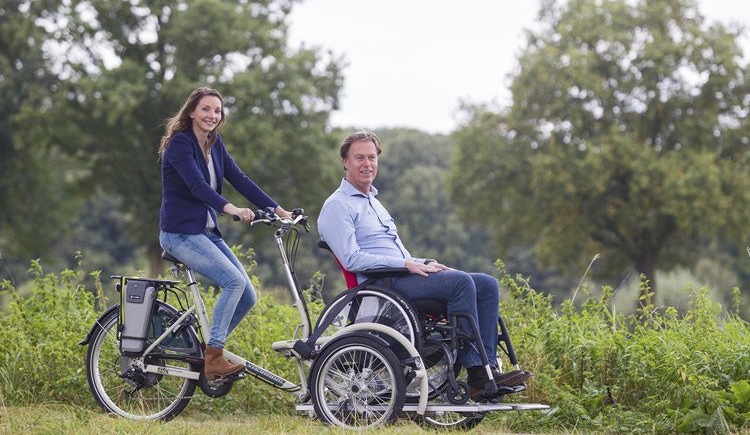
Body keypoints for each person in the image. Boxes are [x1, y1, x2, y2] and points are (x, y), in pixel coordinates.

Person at [317, 130, 531, 401]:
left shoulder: (375, 203)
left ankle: (488, 368)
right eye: (359, 157)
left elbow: (398, 251)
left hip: (401, 274)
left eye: (372, 157)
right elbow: (352, 258)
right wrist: (406, 264)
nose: (367, 164)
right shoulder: (337, 205)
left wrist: (424, 263)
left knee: (486, 284)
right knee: (461, 283)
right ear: (345, 162)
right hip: (382, 285)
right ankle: (477, 374)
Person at [158, 87, 292, 380]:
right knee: (232, 282)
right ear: (192, 111)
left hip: (205, 233)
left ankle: (205, 351)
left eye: (217, 111)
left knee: (247, 295)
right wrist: (230, 209)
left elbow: (240, 179)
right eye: (206, 109)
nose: (212, 115)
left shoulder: (214, 145)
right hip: (180, 233)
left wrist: (279, 210)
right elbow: (197, 187)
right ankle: (214, 357)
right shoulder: (180, 145)